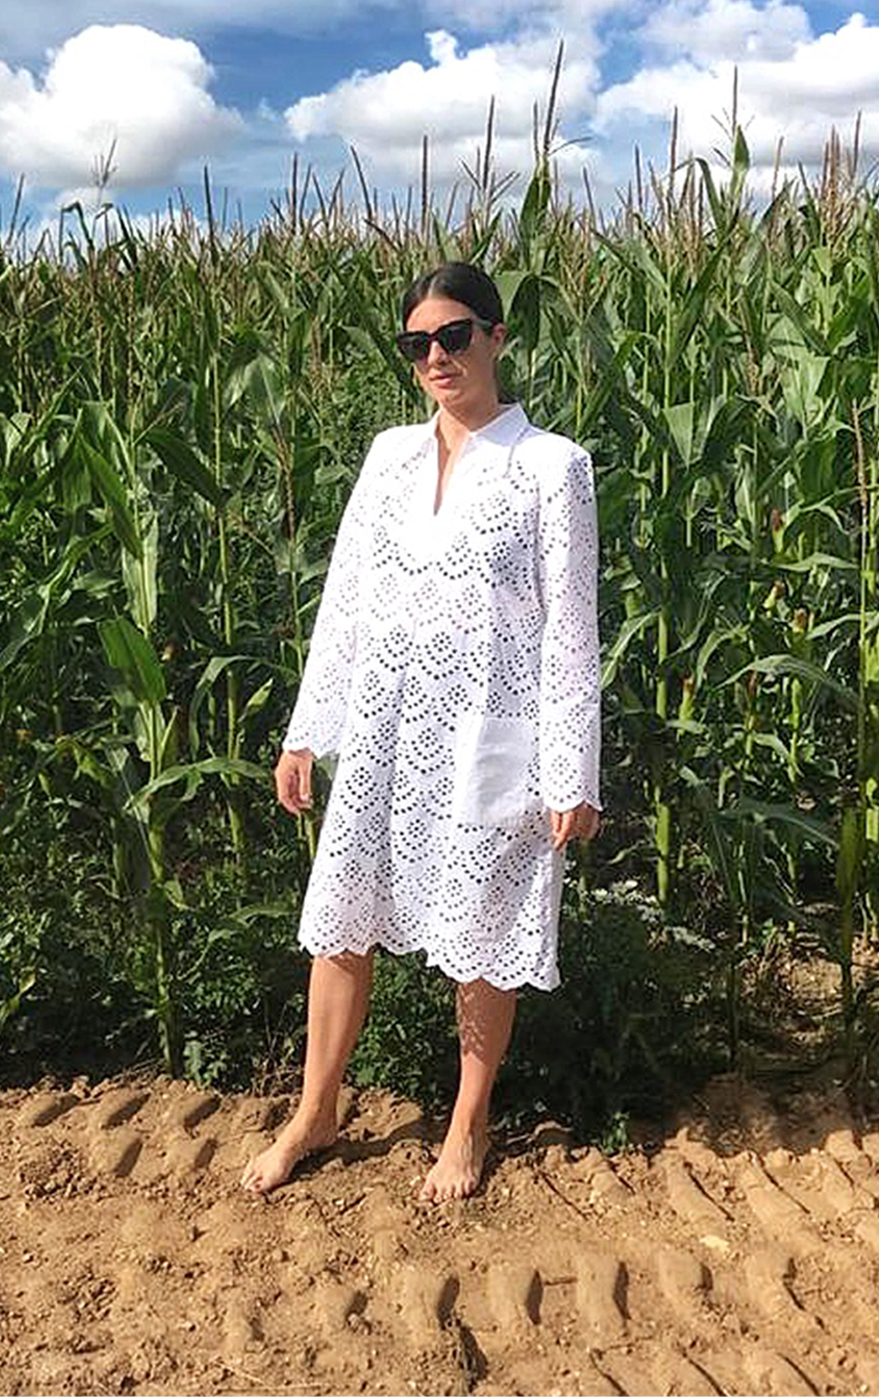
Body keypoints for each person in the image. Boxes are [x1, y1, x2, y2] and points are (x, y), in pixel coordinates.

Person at [241, 262, 601, 1202]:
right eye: (417, 345)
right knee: (341, 917)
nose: (436, 357)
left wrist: (573, 771)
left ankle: (466, 1124)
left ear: (497, 338)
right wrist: (305, 732)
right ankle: (315, 1111)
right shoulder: (388, 456)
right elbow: (346, 602)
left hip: (492, 734)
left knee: (483, 932)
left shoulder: (550, 466)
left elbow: (569, 627)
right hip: (383, 728)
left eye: (454, 336)